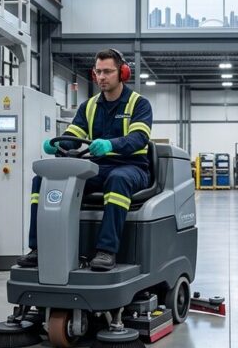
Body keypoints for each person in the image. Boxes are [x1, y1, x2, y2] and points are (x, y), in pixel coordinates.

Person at [18, 49, 154, 271]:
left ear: (123, 73)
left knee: (118, 179)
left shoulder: (139, 104)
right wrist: (59, 144)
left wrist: (111, 145)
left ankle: (107, 250)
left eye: (108, 72)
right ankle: (38, 248)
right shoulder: (88, 106)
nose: (102, 77)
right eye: (98, 72)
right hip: (96, 167)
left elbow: (139, 139)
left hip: (132, 167)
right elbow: (74, 135)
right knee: (41, 181)